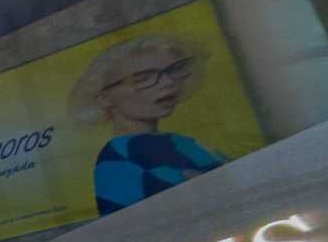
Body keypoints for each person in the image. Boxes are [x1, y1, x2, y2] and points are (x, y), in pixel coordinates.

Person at [67, 34, 227, 215]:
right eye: (143, 79)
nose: (169, 83)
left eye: (171, 71)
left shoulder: (185, 143)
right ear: (104, 97)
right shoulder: (120, 155)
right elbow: (128, 229)